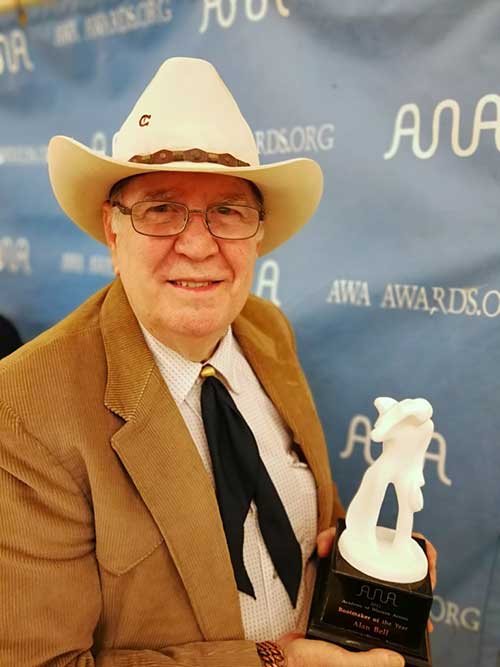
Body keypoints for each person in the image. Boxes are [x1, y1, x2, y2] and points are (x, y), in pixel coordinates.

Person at [0, 58, 434, 667]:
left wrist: (361, 567)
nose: (199, 244)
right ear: (112, 229)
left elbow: (299, 513)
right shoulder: (24, 408)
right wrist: (270, 663)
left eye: (228, 211)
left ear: (257, 234)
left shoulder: (266, 331)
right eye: (159, 208)